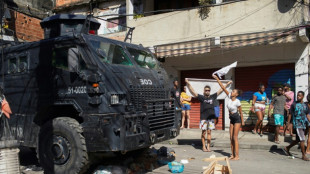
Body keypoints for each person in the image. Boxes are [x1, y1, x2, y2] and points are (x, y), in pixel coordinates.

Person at [185, 78, 232, 152]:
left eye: (208, 90)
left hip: (211, 118)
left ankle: (208, 147)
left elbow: (221, 90)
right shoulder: (201, 97)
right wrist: (188, 83)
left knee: (209, 132)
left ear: (210, 91)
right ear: (204, 91)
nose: (207, 91)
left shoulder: (213, 96)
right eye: (206, 90)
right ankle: (203, 146)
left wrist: (227, 84)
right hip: (203, 118)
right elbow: (193, 91)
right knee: (203, 133)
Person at [213, 75, 244, 160]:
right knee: (230, 138)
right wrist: (217, 79)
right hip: (231, 119)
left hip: (237, 119)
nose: (232, 92)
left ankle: (237, 156)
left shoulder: (238, 102)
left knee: (235, 137)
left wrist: (242, 121)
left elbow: (240, 112)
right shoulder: (229, 97)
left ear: (236, 94)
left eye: (233, 91)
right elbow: (223, 87)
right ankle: (233, 155)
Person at [283, 91, 310, 161]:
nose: (298, 97)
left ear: (303, 96)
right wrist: (288, 124)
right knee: (302, 139)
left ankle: (287, 148)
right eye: (297, 95)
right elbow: (290, 115)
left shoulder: (305, 105)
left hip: (303, 124)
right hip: (297, 124)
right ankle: (303, 155)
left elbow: (307, 115)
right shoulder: (294, 104)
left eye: (299, 96)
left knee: (298, 139)